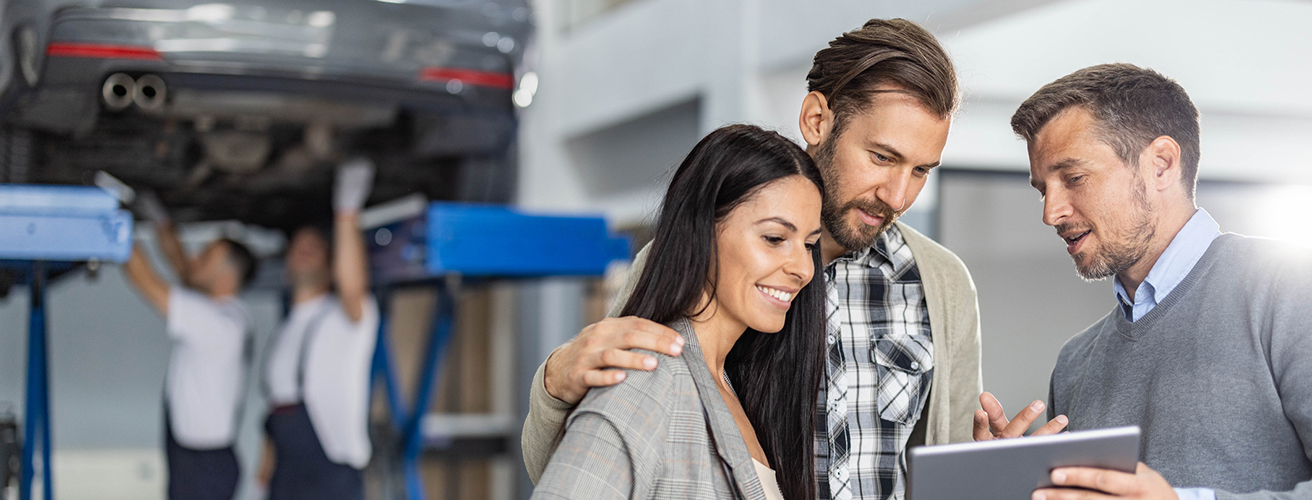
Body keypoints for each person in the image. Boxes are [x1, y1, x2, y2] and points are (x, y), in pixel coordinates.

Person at [526, 18, 989, 500]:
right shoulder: (693, 263)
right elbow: (588, 461)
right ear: (816, 119)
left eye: (920, 171)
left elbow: (947, 470)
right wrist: (555, 385)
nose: (897, 195)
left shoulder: (942, 285)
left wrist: (990, 471)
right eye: (881, 157)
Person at [973, 63, 1312, 500]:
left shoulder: (1291, 292)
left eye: (1073, 178)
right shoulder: (1076, 363)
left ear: (1161, 164)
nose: (1050, 212)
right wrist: (1017, 485)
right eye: (1043, 189)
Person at [533, 124, 826, 500]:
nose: (803, 268)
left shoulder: (734, 386)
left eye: (809, 245)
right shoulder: (648, 380)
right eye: (774, 238)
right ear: (702, 229)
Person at [121, 196, 259, 500]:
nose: (196, 258)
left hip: (203, 465)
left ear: (227, 275)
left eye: (207, 255)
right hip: (195, 457)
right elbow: (183, 267)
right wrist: (161, 222)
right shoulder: (220, 313)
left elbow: (146, 282)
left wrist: (116, 227)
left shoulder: (220, 324)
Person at [258, 159, 380, 500]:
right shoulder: (284, 332)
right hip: (286, 478)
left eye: (316, 248)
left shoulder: (344, 319)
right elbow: (274, 415)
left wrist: (346, 211)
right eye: (298, 246)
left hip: (330, 483)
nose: (305, 250)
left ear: (332, 269)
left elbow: (352, 286)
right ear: (285, 268)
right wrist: (260, 483)